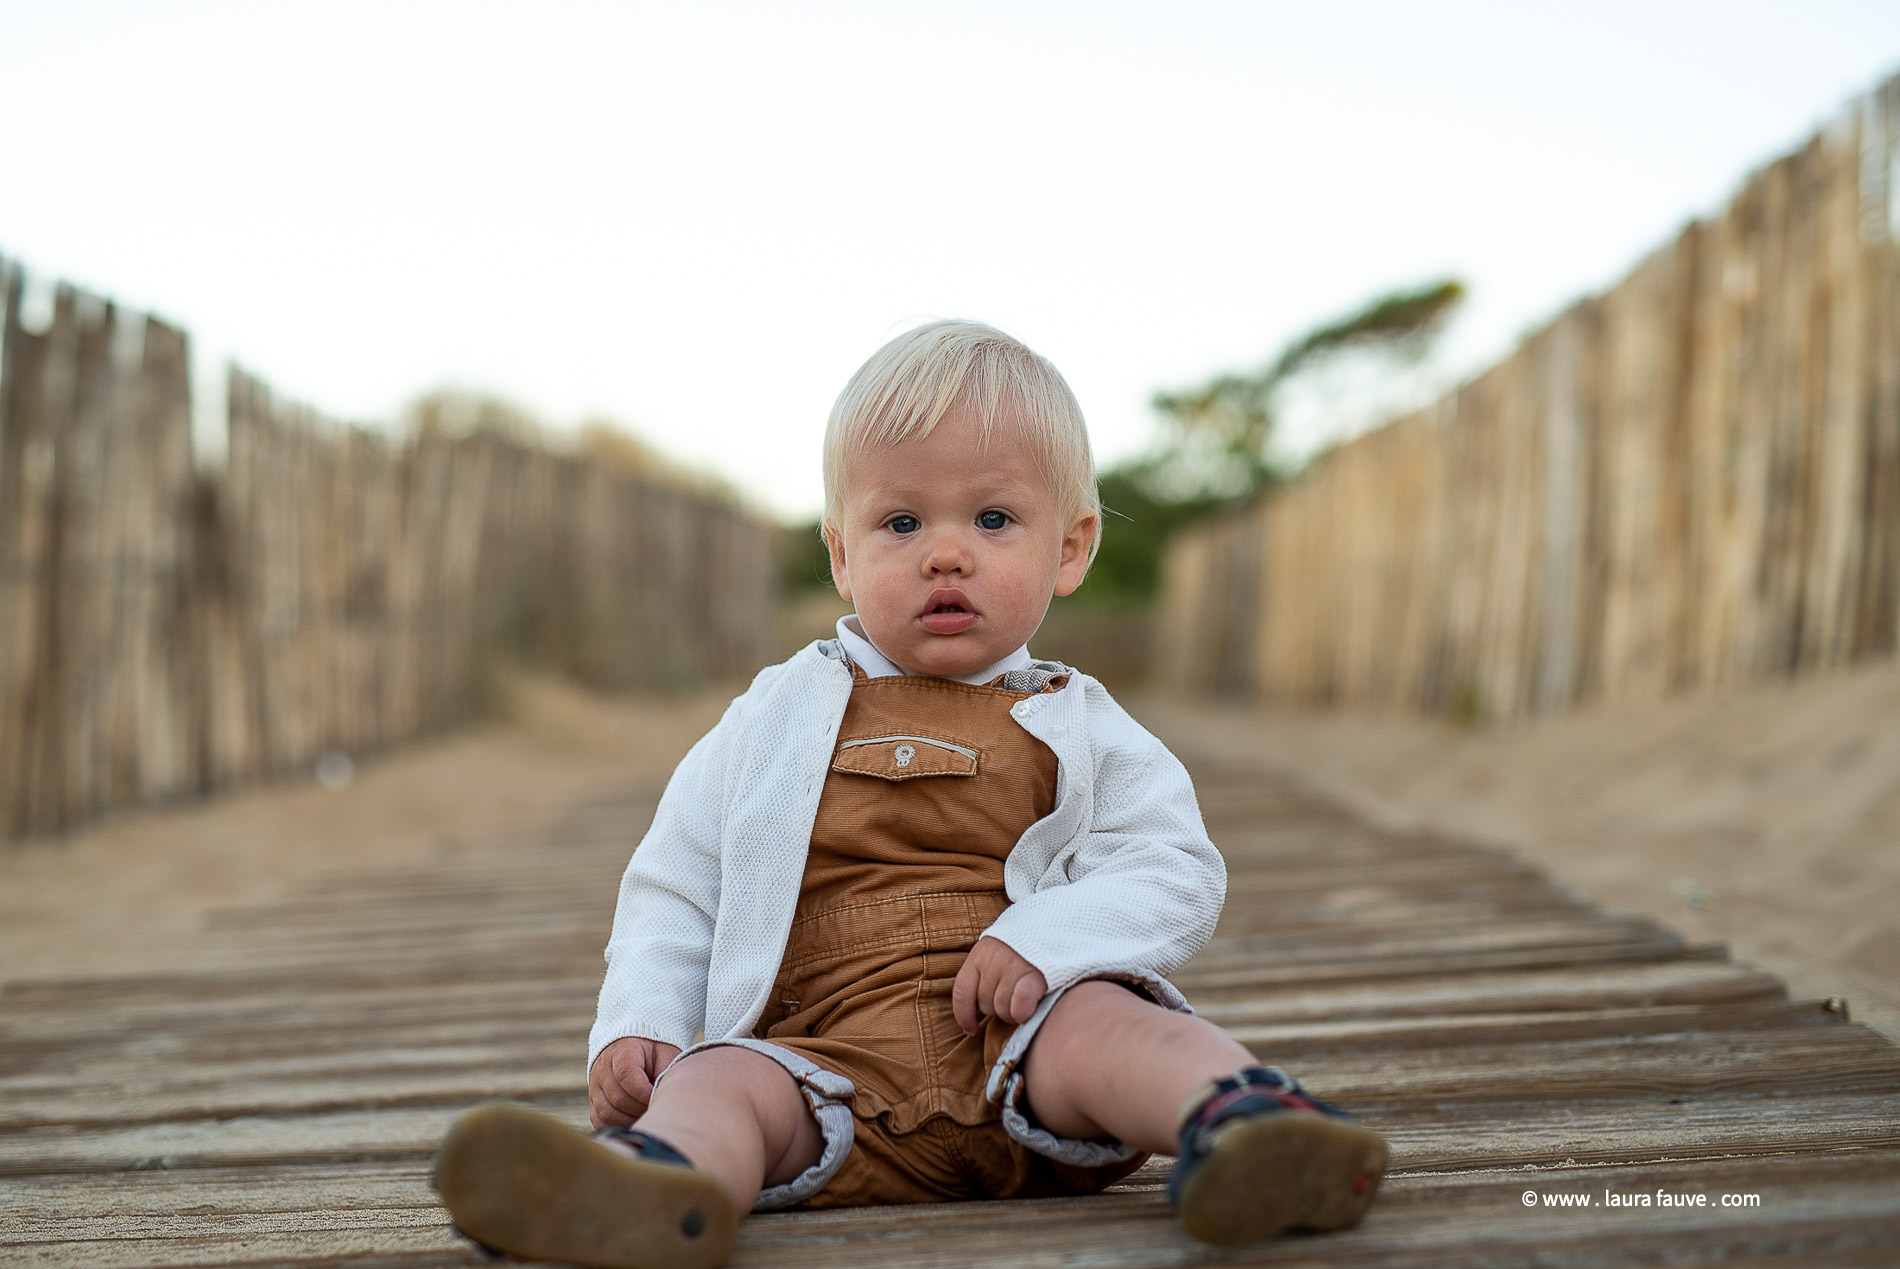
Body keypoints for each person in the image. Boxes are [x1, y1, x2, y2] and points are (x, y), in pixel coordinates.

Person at [433, 320, 1387, 1269]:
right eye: (901, 523)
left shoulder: (1079, 723)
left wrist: (1055, 942)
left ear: (1070, 546)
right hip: (821, 1071)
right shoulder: (770, 718)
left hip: (1023, 1047)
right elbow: (678, 881)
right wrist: (641, 1020)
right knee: (717, 1079)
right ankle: (652, 1185)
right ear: (842, 553)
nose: (945, 553)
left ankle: (1249, 1121)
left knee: (1113, 1022)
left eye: (992, 519)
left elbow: (1174, 865)